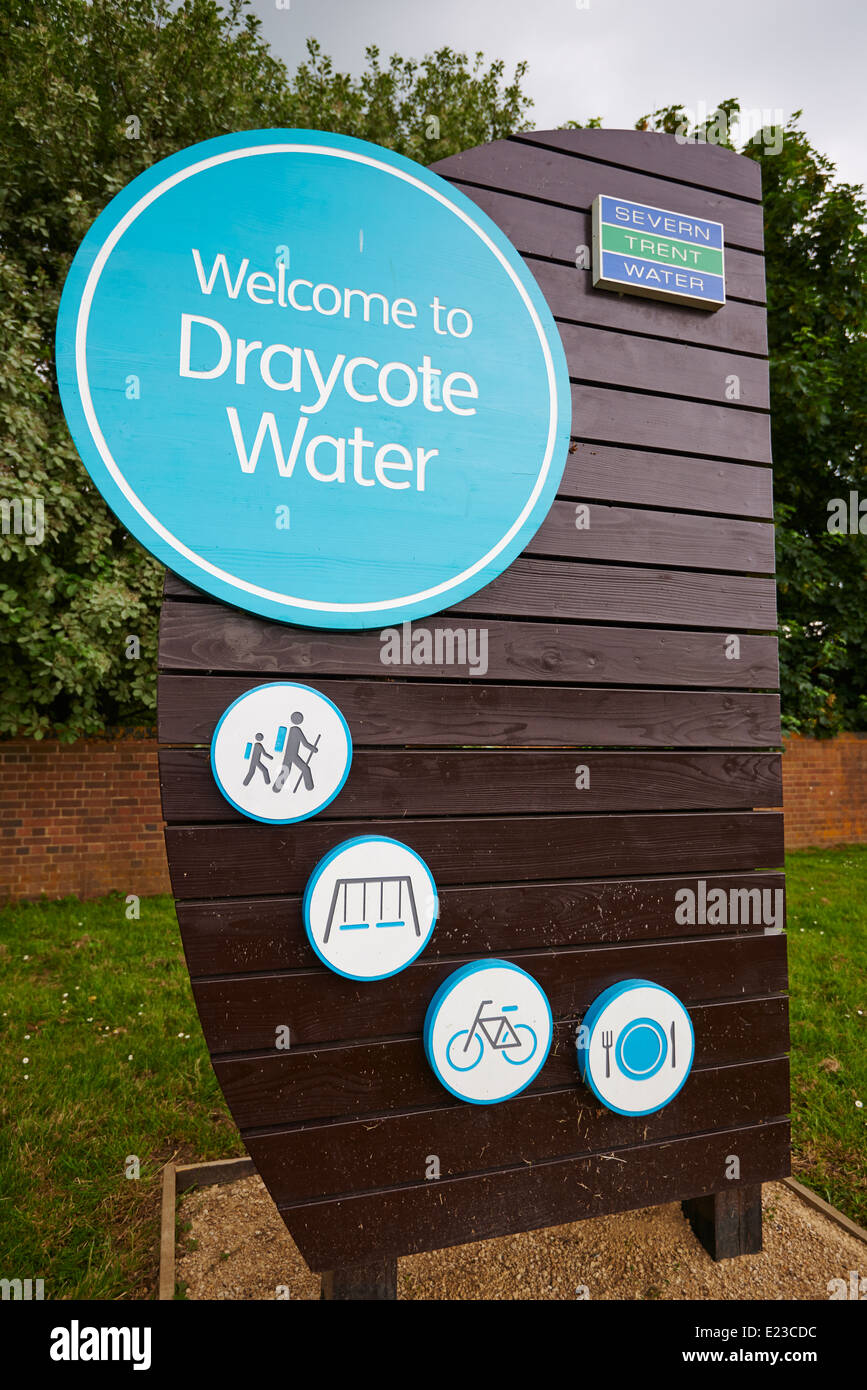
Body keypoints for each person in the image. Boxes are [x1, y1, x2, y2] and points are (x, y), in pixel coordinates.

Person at [273, 711, 319, 792]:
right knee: (305, 769)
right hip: (293, 755)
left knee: (286, 771)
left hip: (288, 755)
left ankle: (276, 788)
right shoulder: (296, 730)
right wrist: (313, 749)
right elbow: (305, 743)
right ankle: (309, 787)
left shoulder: (292, 729)